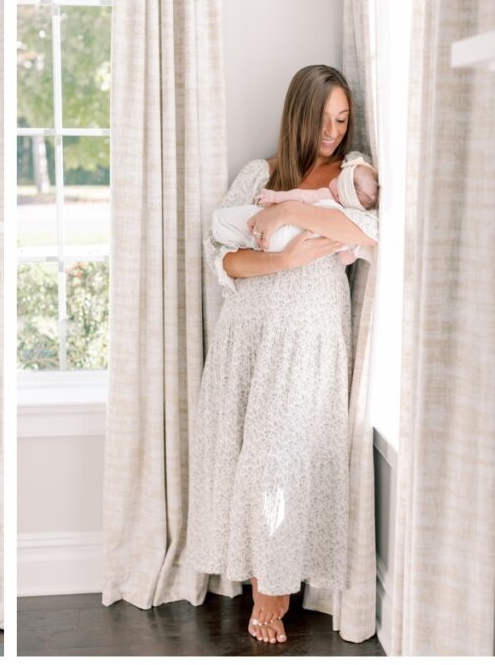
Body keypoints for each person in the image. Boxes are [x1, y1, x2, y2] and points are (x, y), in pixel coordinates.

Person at [181, 65, 378, 645]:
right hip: (250, 336)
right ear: (298, 115)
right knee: (246, 458)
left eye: (342, 120)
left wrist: (290, 212)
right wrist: (283, 261)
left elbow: (371, 231)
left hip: (310, 338)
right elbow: (220, 257)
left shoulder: (351, 176)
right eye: (323, 119)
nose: (333, 132)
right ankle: (262, 575)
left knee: (279, 460)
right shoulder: (257, 173)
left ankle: (275, 589)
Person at [212, 155, 379, 265]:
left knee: (238, 221)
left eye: (341, 120)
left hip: (284, 234)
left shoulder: (326, 194)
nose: (332, 131)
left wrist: (278, 199)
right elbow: (345, 258)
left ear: (338, 191)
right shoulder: (346, 222)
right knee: (250, 234)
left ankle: (221, 226)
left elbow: (301, 196)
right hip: (285, 243)